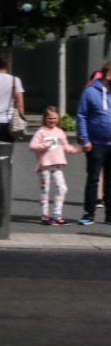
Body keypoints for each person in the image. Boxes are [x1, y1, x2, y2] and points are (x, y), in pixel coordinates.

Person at [30, 106, 80, 225]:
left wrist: (81, 149)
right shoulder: (41, 132)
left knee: (62, 189)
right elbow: (32, 146)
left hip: (56, 166)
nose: (52, 120)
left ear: (58, 119)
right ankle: (45, 215)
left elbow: (66, 147)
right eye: (49, 118)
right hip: (44, 166)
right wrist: (46, 144)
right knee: (45, 189)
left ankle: (57, 214)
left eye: (54, 118)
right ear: (45, 119)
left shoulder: (60, 133)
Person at [76, 61, 111, 224]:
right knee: (93, 179)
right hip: (95, 143)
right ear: (108, 75)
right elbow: (82, 115)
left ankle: (110, 215)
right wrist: (84, 138)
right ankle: (88, 213)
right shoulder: (90, 92)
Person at [0, 53, 24, 143]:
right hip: (9, 121)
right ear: (7, 65)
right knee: (5, 152)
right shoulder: (15, 80)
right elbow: (20, 103)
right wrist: (20, 120)